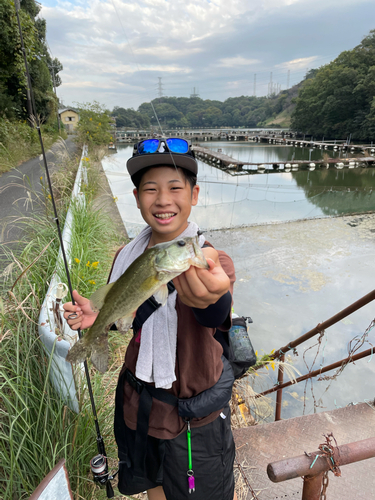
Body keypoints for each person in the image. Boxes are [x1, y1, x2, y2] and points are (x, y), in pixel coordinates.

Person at [63, 138, 237, 500]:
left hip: (192, 422)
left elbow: (215, 313)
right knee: (153, 490)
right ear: (136, 196)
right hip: (139, 408)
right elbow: (128, 310)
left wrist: (212, 301)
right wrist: (99, 319)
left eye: (175, 188)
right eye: (150, 189)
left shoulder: (210, 261)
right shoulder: (127, 256)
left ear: (195, 194)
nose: (162, 199)